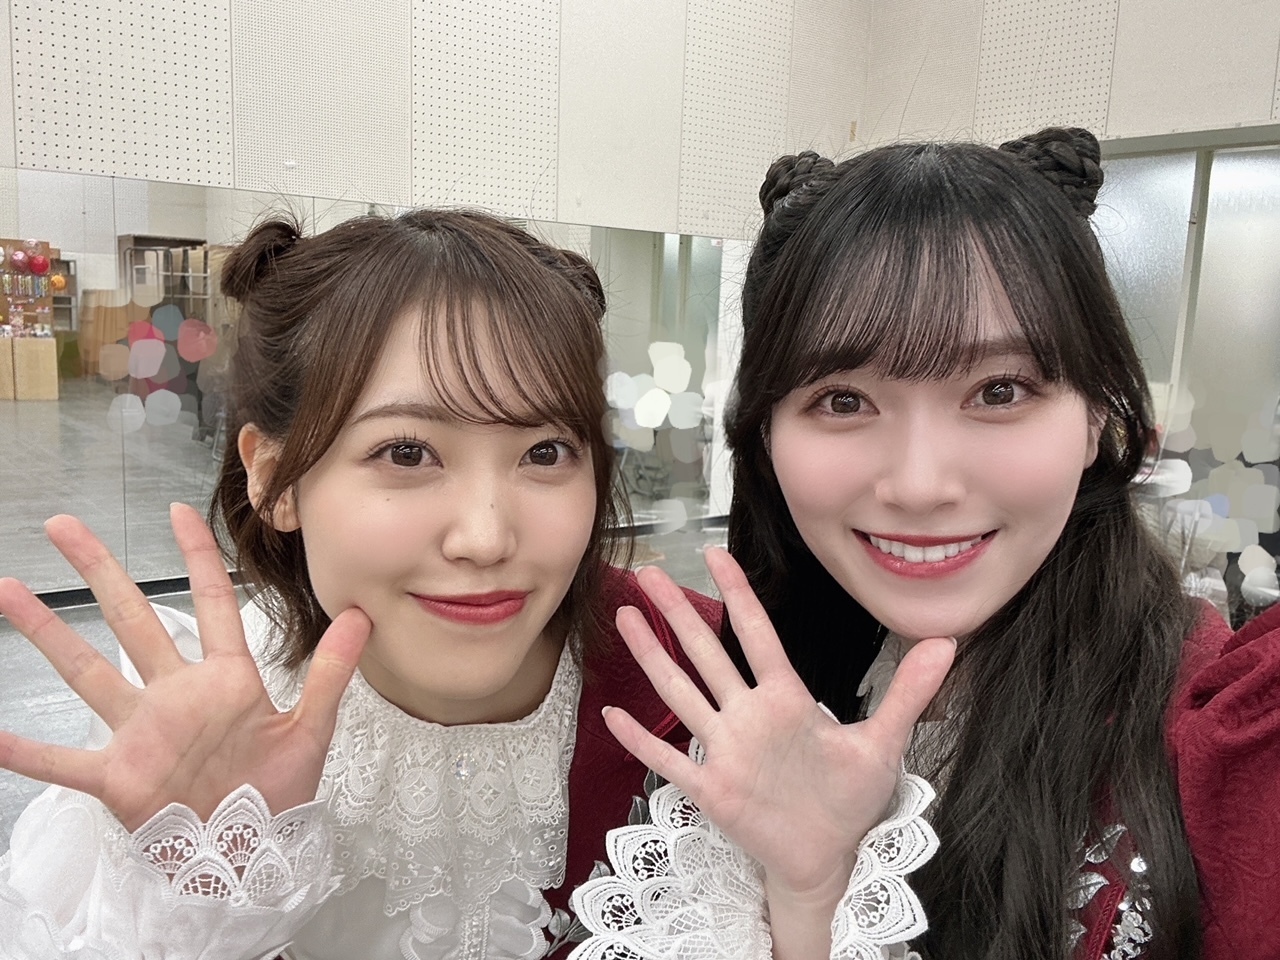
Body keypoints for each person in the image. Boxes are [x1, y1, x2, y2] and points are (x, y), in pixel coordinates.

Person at [0, 208, 945, 960]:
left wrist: (810, 898)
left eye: (544, 452)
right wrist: (205, 893)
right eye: (407, 452)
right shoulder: (193, 734)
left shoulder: (711, 702)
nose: (488, 538)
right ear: (274, 476)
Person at [589, 129, 1280, 960]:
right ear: (766, 434)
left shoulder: (1228, 741)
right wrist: (811, 893)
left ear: (1098, 413)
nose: (918, 486)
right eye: (844, 400)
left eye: (999, 390)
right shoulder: (776, 682)